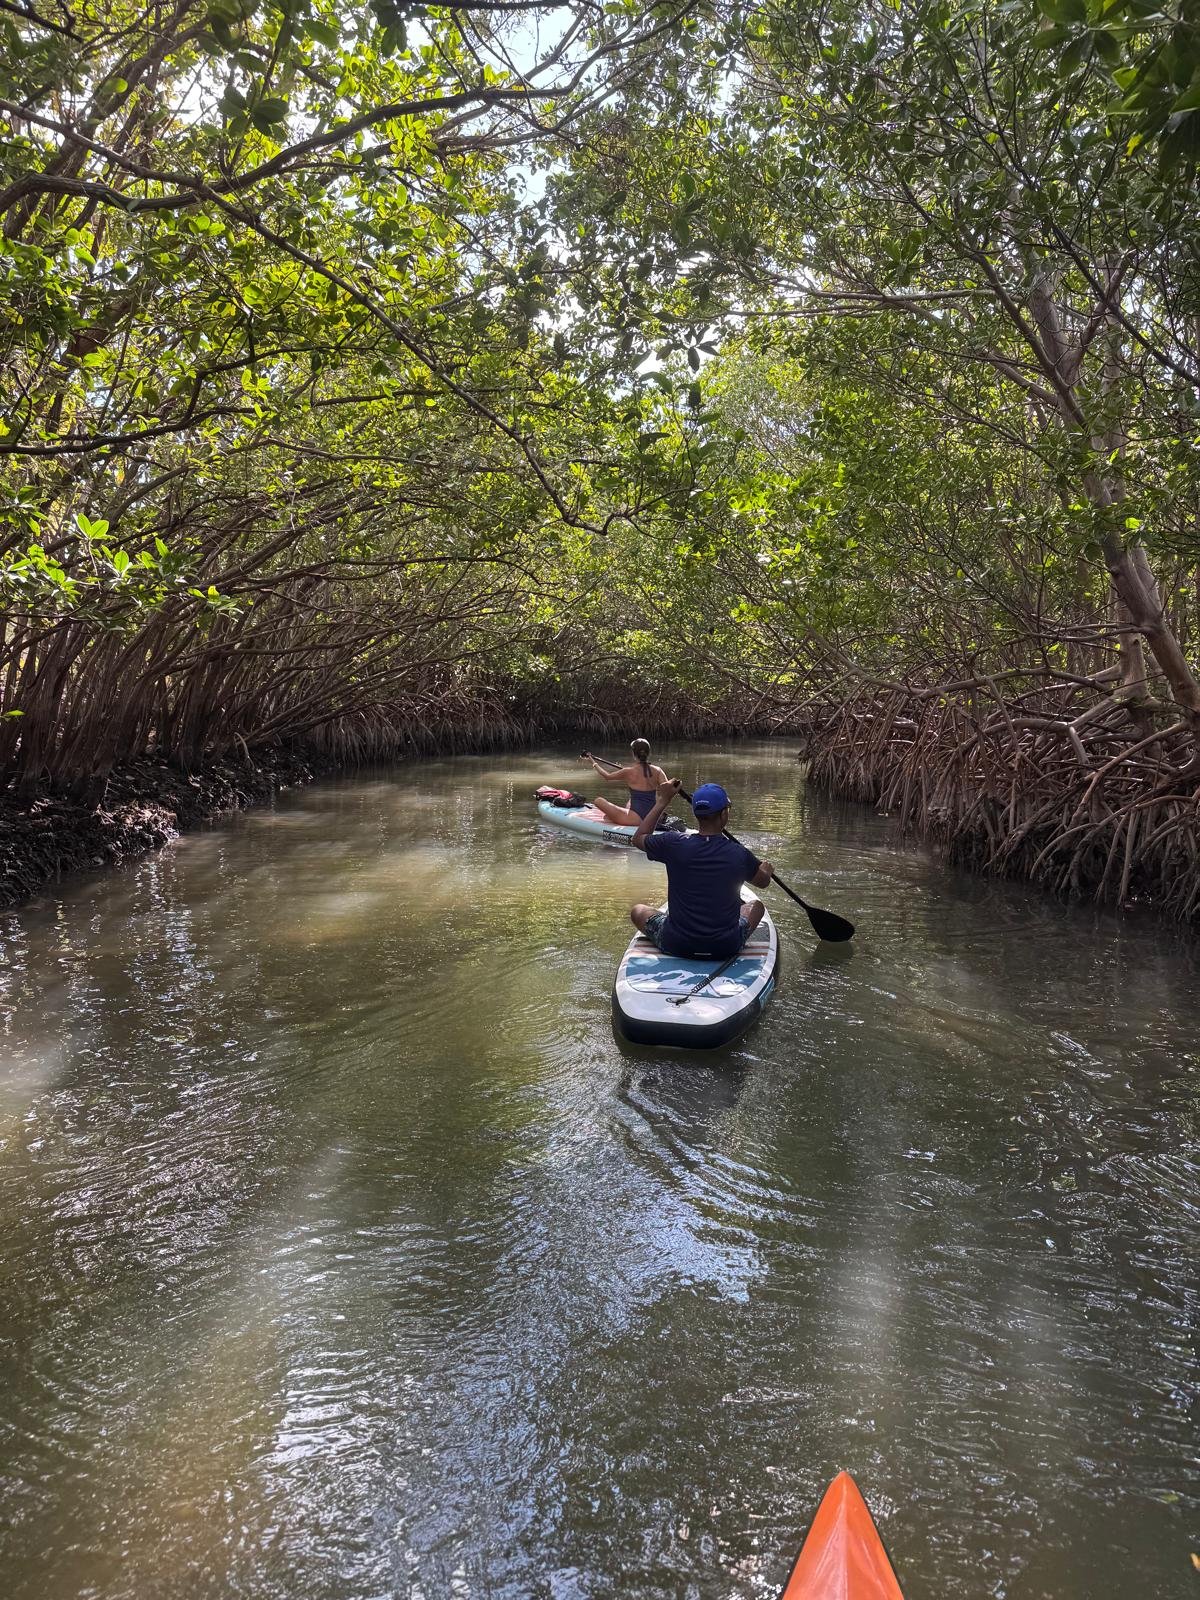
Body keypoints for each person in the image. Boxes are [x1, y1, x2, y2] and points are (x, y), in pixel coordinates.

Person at [629, 780, 774, 958]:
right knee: (757, 906)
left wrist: (662, 801)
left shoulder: (673, 843)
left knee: (637, 911)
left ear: (696, 814)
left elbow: (638, 838)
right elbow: (763, 882)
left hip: (675, 943)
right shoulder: (739, 854)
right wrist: (766, 869)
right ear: (724, 815)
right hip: (725, 946)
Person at [580, 739, 675, 828]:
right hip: (653, 817)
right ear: (648, 753)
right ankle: (615, 816)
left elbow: (607, 776)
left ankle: (614, 817)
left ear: (633, 754)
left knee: (598, 801)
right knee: (630, 802)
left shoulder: (628, 771)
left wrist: (592, 761)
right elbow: (667, 790)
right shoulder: (658, 770)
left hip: (635, 819)